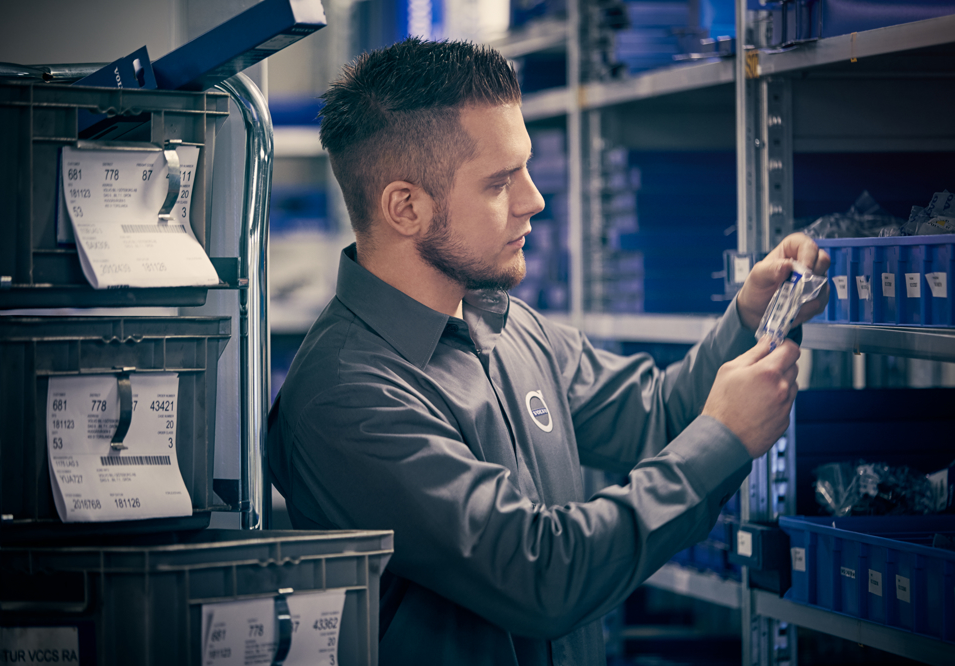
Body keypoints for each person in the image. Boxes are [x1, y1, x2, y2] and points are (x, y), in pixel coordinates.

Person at [267, 37, 830, 666]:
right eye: (501, 182)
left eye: (527, 168)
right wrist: (723, 440)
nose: (535, 199)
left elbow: (657, 415)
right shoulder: (347, 398)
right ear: (406, 207)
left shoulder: (507, 325)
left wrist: (748, 318)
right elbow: (541, 575)